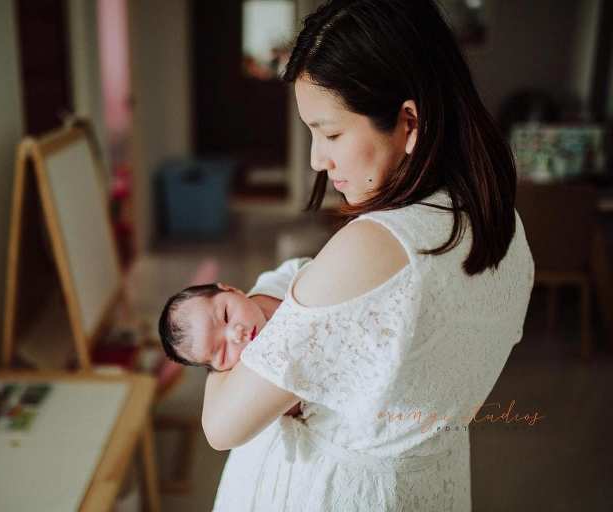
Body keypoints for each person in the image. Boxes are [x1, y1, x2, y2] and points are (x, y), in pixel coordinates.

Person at [200, 1, 535, 511]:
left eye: (330, 133)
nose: (317, 158)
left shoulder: (374, 245)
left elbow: (221, 426)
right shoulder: (504, 225)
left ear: (408, 122)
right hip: (429, 484)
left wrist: (219, 338)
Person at [158, 257, 310, 373]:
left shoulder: (278, 281)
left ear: (230, 290)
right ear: (220, 370)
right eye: (222, 352)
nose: (236, 334)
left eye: (226, 316)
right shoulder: (262, 373)